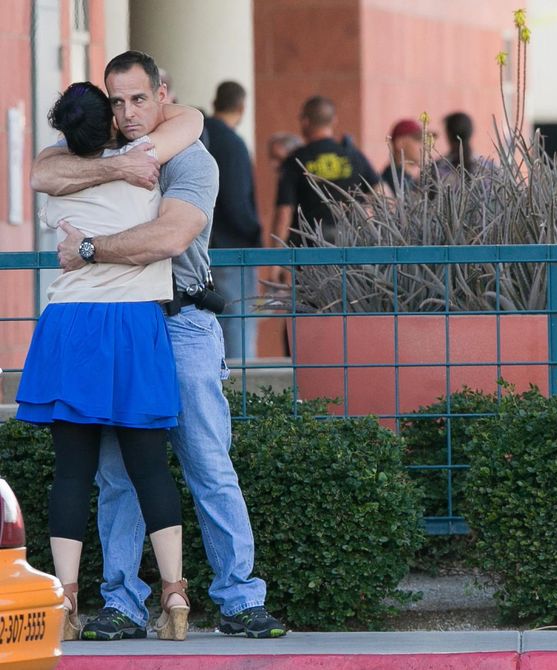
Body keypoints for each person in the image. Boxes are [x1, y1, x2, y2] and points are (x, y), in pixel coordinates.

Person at [30, 50, 286, 641]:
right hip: (124, 325)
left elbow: (170, 236)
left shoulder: (193, 157)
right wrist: (114, 170)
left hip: (183, 321)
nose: (127, 113)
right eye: (116, 102)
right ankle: (121, 603)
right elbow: (44, 171)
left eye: (139, 99)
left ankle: (239, 597)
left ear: (162, 94)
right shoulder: (104, 158)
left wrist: (89, 247)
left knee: (207, 464)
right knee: (118, 475)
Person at [17, 81, 203, 641]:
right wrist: (126, 156)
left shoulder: (62, 178)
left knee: (72, 473)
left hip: (70, 324)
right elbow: (191, 120)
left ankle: (66, 602)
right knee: (150, 467)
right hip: (133, 322)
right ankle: (174, 595)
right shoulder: (141, 162)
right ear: (113, 124)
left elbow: (45, 169)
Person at [271, 95, 380, 253]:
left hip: (310, 250)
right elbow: (381, 195)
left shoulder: (296, 159)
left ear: (305, 122)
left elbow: (284, 212)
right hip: (351, 248)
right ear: (334, 120)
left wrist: (276, 258)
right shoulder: (352, 155)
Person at [203, 81, 262, 360]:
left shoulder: (200, 135)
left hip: (198, 246)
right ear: (241, 107)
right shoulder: (233, 143)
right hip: (232, 249)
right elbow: (237, 202)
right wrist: (256, 235)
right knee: (238, 322)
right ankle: (240, 393)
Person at [381, 118, 424, 195]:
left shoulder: (407, 178)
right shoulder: (393, 180)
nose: (423, 145)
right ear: (400, 143)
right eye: (418, 139)